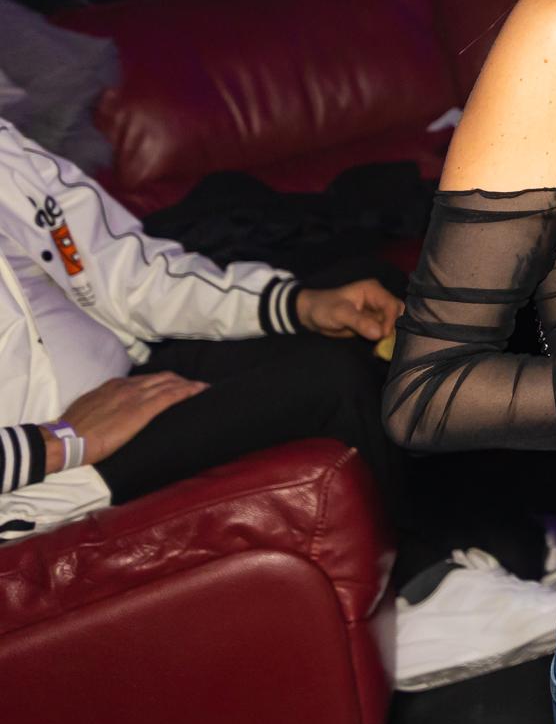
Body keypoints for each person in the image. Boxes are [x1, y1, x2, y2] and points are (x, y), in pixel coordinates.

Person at [0, 116, 400, 539]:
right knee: (329, 381)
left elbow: (128, 276)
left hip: (123, 379)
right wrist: (59, 440)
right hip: (42, 482)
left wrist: (298, 305)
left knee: (368, 294)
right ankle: (423, 564)